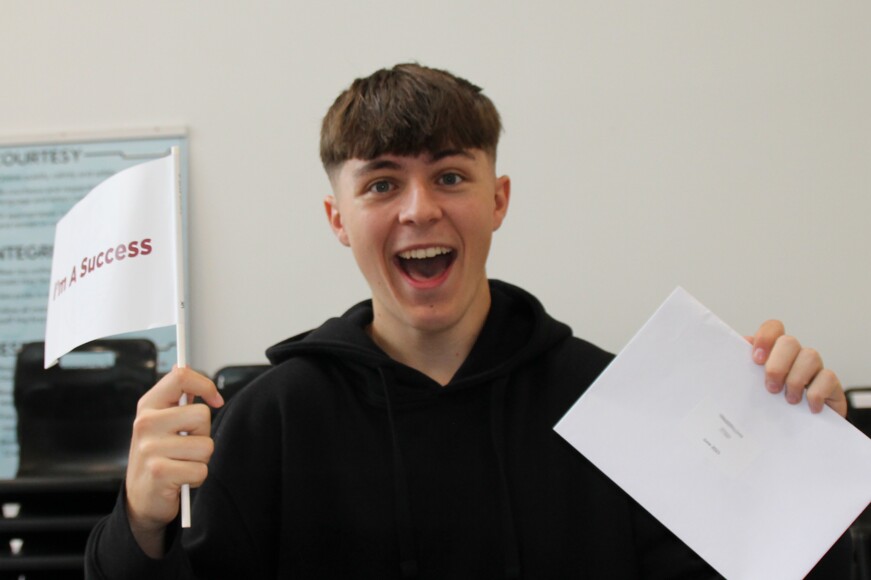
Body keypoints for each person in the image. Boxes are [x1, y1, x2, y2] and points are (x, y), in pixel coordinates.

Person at [85, 63, 852, 579]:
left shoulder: (619, 404)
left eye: (450, 176)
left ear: (498, 200)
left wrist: (801, 464)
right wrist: (141, 527)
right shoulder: (267, 422)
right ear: (337, 218)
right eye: (381, 184)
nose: (419, 209)